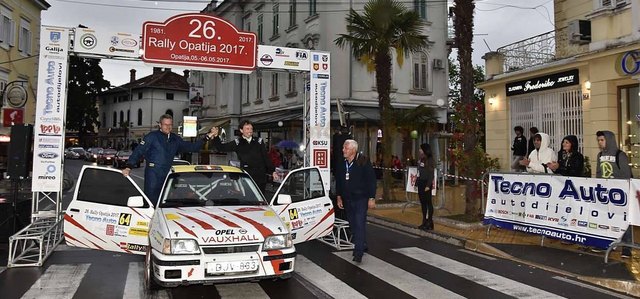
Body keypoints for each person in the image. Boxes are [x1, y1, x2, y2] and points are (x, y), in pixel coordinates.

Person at [122, 114, 214, 205]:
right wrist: (128, 167)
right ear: (160, 125)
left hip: (167, 175)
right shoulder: (152, 137)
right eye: (165, 125)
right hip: (153, 174)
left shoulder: (175, 139)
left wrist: (207, 137)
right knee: (151, 203)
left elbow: (191, 147)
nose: (168, 127)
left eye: (170, 125)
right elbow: (138, 151)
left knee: (166, 203)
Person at [336, 139, 376, 263]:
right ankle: (362, 243)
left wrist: (371, 197)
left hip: (361, 199)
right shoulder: (342, 163)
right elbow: (339, 180)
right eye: (343, 148)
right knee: (353, 225)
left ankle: (358, 252)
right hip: (347, 199)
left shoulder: (363, 161)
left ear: (353, 150)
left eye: (346, 148)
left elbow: (371, 180)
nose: (343, 150)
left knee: (359, 224)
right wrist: (339, 196)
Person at [210, 120, 275, 193]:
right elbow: (222, 148)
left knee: (260, 198)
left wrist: (272, 171)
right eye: (247, 129)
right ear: (241, 130)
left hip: (260, 176)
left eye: (251, 129)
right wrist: (216, 136)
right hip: (246, 176)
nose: (250, 131)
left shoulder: (259, 141)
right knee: (248, 197)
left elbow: (266, 157)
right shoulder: (238, 143)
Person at [595, 130, 632, 258]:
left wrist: (617, 186)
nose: (600, 142)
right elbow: (598, 173)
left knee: (624, 219)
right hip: (606, 192)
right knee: (607, 218)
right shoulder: (600, 155)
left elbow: (626, 174)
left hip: (619, 192)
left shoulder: (620, 155)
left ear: (609, 140)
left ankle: (627, 247)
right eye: (599, 140)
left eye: (602, 140)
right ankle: (607, 243)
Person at [416, 143, 435, 231]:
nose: (419, 150)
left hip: (426, 183)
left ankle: (430, 221)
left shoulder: (430, 160)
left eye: (421, 149)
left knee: (428, 202)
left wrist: (428, 185)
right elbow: (419, 171)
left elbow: (431, 174)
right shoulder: (421, 159)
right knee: (423, 203)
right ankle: (424, 220)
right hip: (421, 182)